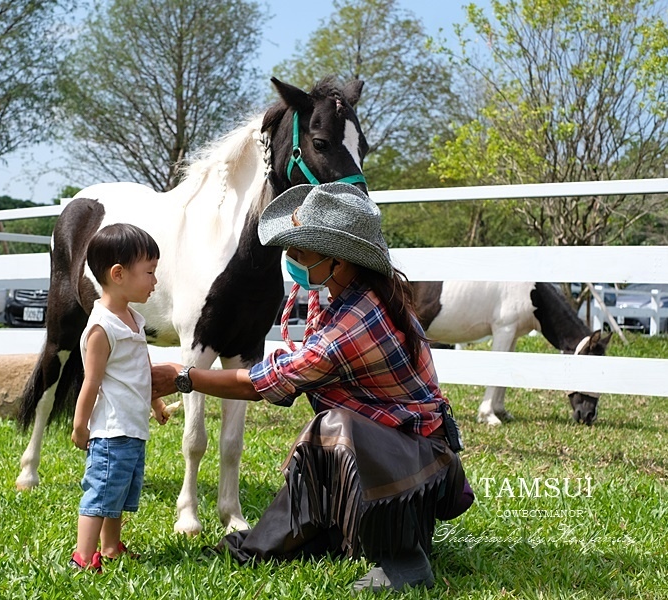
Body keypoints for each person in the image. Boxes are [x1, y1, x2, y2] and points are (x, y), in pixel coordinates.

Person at [151, 182, 473, 593]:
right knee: (329, 438)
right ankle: (267, 545)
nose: (289, 261)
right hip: (407, 462)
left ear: (336, 261)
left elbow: (262, 383)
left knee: (331, 430)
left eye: (300, 253)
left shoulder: (353, 323)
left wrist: (183, 377)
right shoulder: (347, 295)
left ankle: (403, 562)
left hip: (417, 469)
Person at [70, 223, 170, 572]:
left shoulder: (132, 319)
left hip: (132, 427)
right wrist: (81, 425)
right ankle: (83, 556)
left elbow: (142, 366)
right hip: (111, 430)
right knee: (100, 495)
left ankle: (110, 547)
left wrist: (155, 401)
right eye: (150, 272)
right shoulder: (102, 328)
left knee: (119, 494)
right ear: (118, 274)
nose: (155, 281)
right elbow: (91, 382)